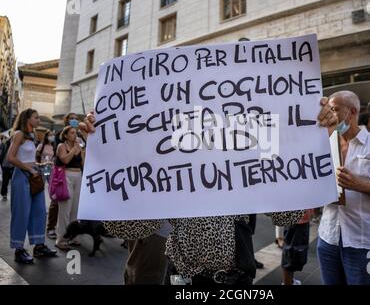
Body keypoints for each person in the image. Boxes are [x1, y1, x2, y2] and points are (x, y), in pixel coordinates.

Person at [81, 97, 337, 285]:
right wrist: (104, 149)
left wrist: (314, 141)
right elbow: (127, 228)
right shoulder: (170, 170)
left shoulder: (245, 163)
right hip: (182, 279)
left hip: (235, 280)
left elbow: (286, 216)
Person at [317, 90, 370, 285]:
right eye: (328, 109)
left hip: (366, 242)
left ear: (352, 112)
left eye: (334, 109)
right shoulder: (323, 143)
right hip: (328, 238)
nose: (329, 114)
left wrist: (357, 185)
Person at [6, 108, 57, 264]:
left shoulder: (32, 136)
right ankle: (19, 249)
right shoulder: (19, 134)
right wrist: (28, 168)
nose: (38, 120)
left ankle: (39, 246)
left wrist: (40, 165)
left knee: (40, 211)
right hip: (22, 176)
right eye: (36, 118)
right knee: (21, 213)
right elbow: (10, 157)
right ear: (27, 118)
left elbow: (28, 157)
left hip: (35, 175)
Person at [55, 126, 84, 250]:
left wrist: (81, 150)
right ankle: (61, 239)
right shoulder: (61, 146)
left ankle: (73, 237)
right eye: (72, 133)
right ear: (66, 135)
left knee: (75, 209)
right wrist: (74, 149)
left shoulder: (79, 147)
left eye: (75, 133)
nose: (75, 135)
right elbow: (65, 160)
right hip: (66, 176)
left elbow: (83, 163)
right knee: (65, 210)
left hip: (78, 176)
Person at [281, 209, 313, 285]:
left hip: (299, 217)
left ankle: (290, 281)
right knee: (291, 253)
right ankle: (287, 282)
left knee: (294, 253)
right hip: (296, 218)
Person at [0, 133, 14, 201]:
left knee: (14, 181)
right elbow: (2, 153)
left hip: (14, 165)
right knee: (5, 181)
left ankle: (14, 194)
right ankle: (4, 194)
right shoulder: (5, 143)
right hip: (6, 164)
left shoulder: (18, 143)